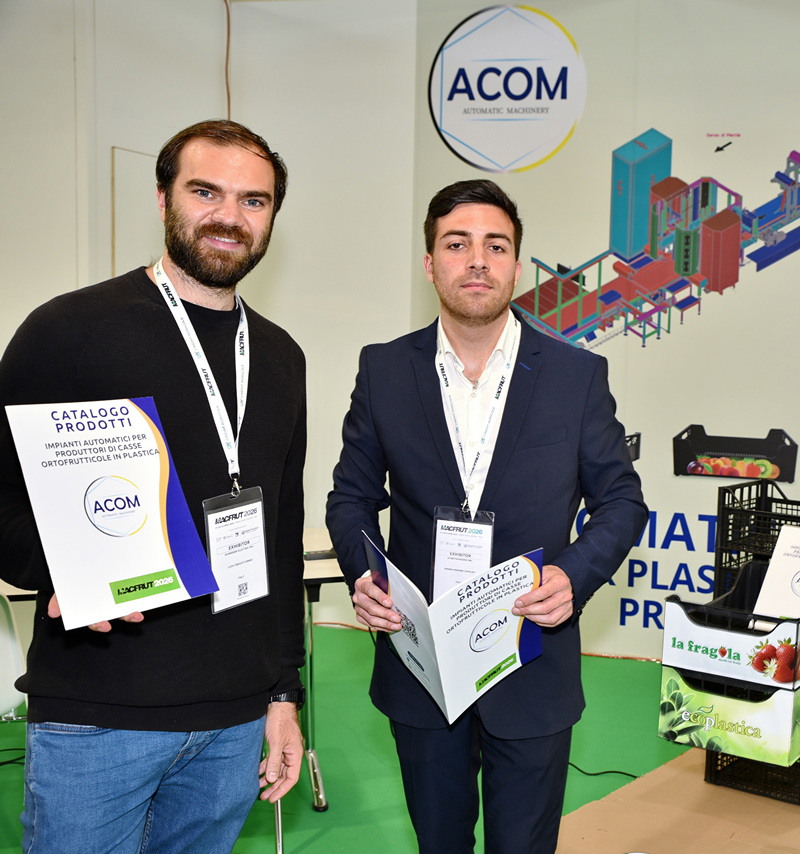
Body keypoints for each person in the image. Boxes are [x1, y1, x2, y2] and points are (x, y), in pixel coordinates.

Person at [0, 119, 308, 853]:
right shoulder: (69, 330)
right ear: (164, 198)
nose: (230, 216)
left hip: (235, 721)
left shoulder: (280, 357)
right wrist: (55, 569)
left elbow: (281, 534)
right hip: (100, 714)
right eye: (206, 192)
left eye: (254, 200)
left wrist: (282, 693)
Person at [326, 179, 646, 853]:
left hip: (531, 658)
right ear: (429, 263)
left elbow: (621, 500)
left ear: (517, 265)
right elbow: (350, 496)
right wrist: (365, 573)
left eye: (495, 246)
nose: (477, 260)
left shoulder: (575, 377)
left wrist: (574, 574)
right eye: (457, 244)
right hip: (422, 663)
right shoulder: (384, 370)